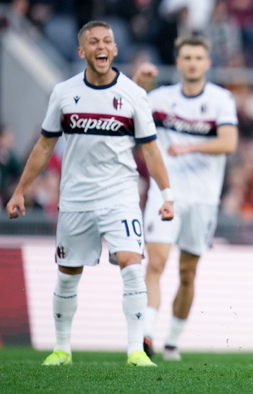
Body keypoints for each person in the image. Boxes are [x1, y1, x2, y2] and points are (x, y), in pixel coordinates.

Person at [6, 20, 174, 367]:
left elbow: (152, 151)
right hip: (76, 199)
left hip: (121, 196)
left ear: (115, 49)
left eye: (107, 41)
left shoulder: (133, 95)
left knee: (131, 262)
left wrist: (167, 194)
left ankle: (134, 350)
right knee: (68, 272)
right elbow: (43, 146)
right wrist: (20, 190)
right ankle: (62, 349)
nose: (102, 47)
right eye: (94, 42)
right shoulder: (64, 93)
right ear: (82, 51)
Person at [133, 36, 238, 361]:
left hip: (203, 199)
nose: (192, 62)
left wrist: (190, 147)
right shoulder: (160, 97)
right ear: (178, 63)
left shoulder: (221, 99)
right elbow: (129, 106)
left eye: (198, 57)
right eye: (186, 57)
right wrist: (140, 83)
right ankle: (145, 337)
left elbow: (229, 143)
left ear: (206, 63)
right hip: (166, 194)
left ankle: (173, 342)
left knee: (187, 273)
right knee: (157, 263)